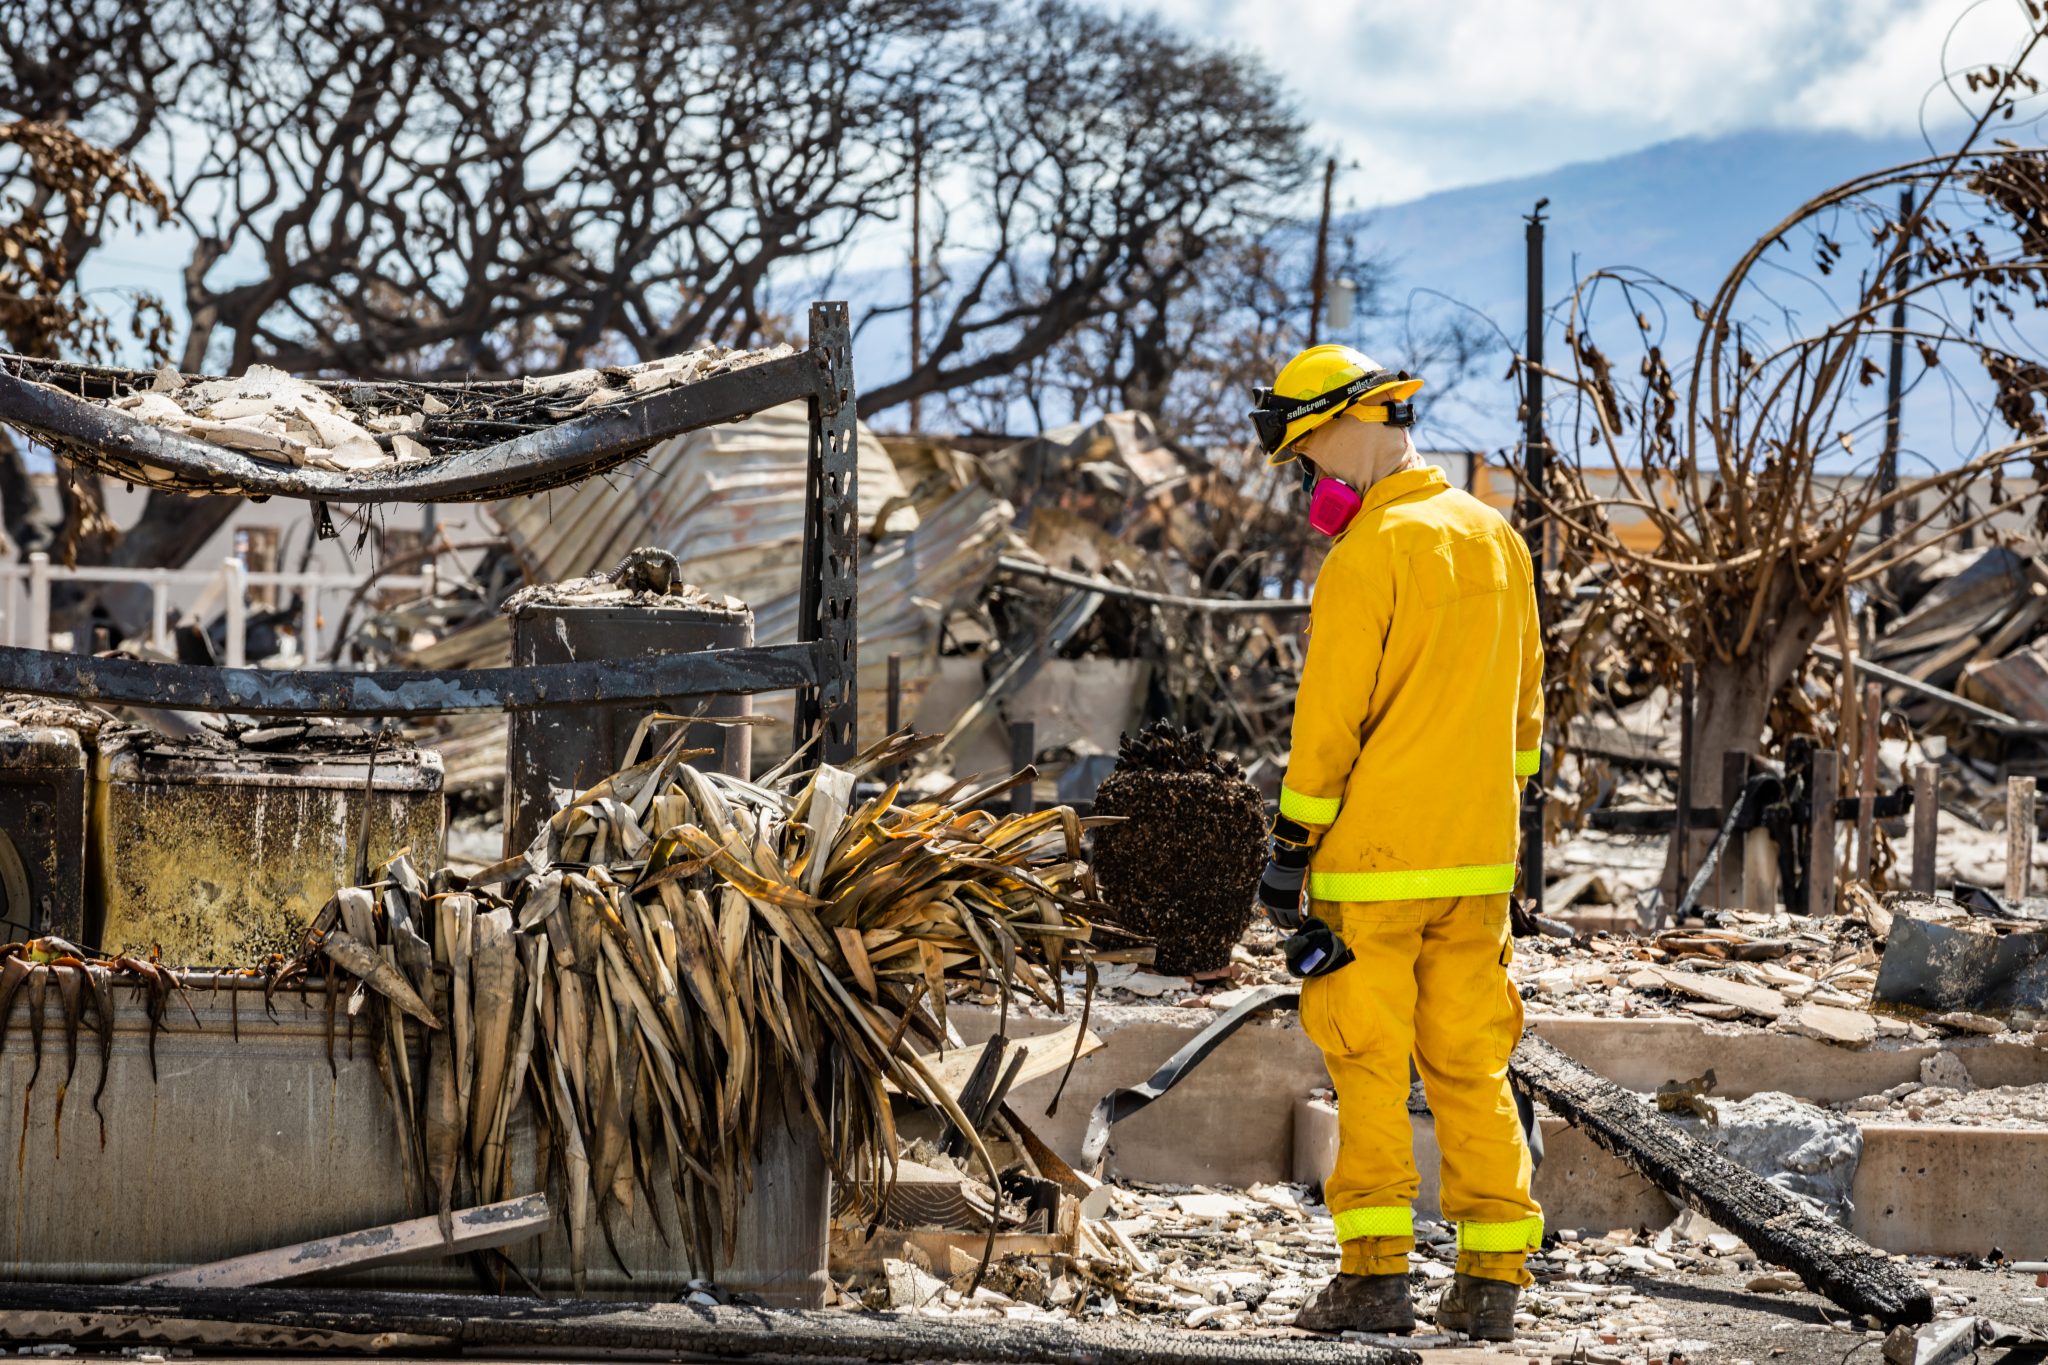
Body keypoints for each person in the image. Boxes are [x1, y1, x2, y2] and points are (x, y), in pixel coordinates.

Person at [1247, 345, 1544, 1341]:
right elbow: (1526, 716)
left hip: (1373, 865)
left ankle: (1374, 1277)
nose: (1313, 477)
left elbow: (1326, 728)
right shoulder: (1496, 537)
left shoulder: (1367, 556)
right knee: (1470, 1061)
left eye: (1309, 452)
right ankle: (1491, 1277)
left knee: (1366, 1061)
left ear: (1349, 423)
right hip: (1478, 864)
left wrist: (1290, 843)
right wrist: (1496, 826)